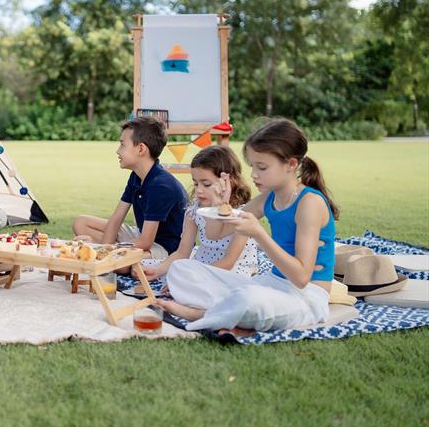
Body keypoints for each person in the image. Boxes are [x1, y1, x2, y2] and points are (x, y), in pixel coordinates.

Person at [164, 118, 339, 332]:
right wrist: (220, 204)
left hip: (307, 296)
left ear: (291, 164)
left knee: (250, 299)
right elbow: (216, 234)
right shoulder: (268, 198)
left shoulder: (309, 203)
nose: (254, 175)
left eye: (262, 167)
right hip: (272, 283)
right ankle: (228, 309)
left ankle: (201, 313)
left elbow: (301, 278)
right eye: (253, 166)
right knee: (180, 269)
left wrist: (259, 234)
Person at [141, 145, 258, 287]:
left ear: (228, 182)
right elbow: (182, 252)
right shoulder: (195, 211)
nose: (199, 190)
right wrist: (157, 271)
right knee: (149, 266)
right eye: (196, 184)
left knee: (208, 287)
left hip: (230, 268)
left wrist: (191, 280)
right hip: (202, 261)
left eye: (206, 184)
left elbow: (228, 262)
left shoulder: (243, 213)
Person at [72, 116, 188, 259]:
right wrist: (104, 248)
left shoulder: (161, 186)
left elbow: (145, 242)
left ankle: (103, 250)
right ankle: (103, 251)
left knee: (124, 262)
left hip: (166, 247)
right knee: (81, 223)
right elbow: (116, 220)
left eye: (122, 145)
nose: (117, 151)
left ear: (141, 149)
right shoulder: (136, 176)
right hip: (141, 234)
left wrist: (109, 249)